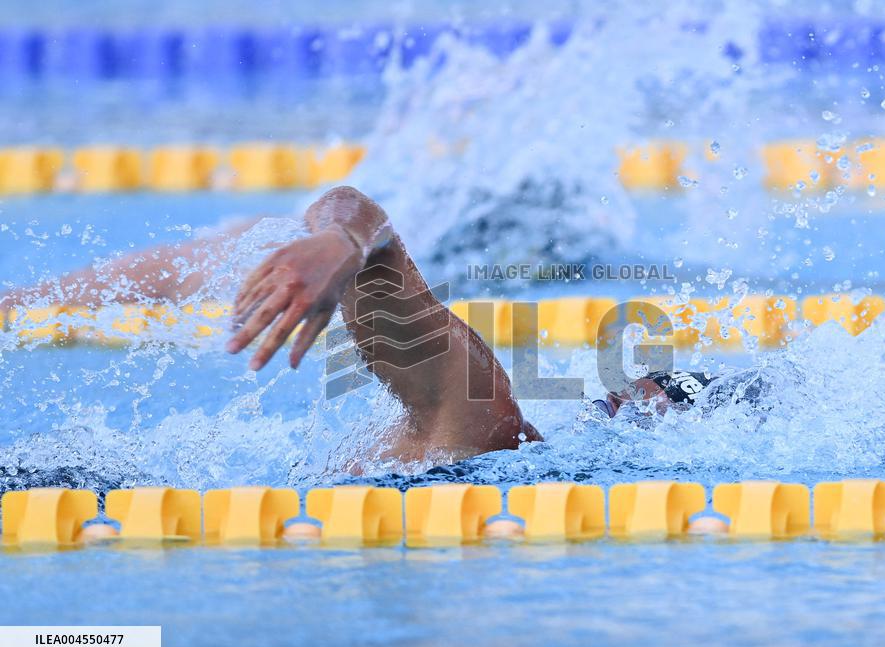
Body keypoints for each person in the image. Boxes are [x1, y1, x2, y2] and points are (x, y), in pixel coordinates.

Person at [0, 186, 755, 464]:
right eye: (633, 389)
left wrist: (343, 245)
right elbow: (358, 213)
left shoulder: (488, 429)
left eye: (638, 398)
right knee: (242, 241)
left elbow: (364, 223)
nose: (615, 399)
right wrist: (337, 245)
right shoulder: (485, 422)